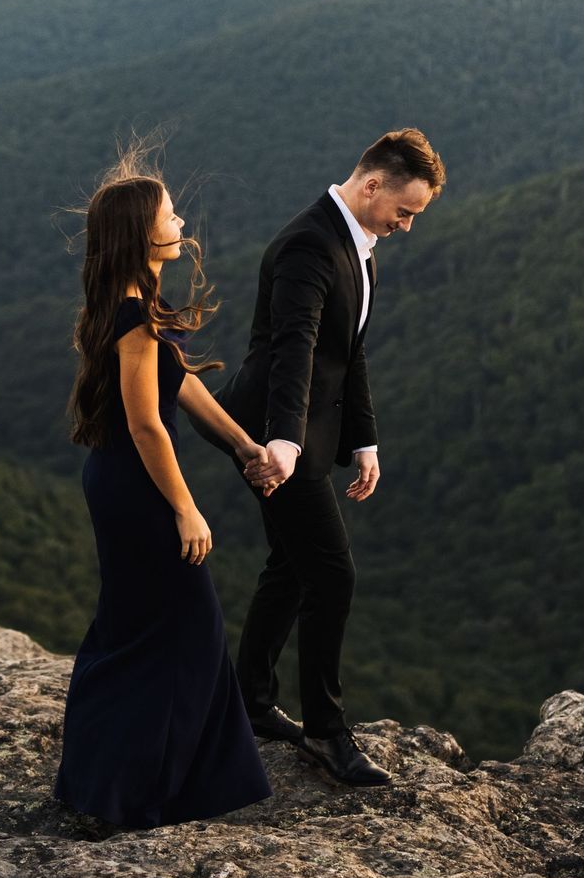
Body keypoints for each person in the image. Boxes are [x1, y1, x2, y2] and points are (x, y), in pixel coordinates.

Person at [219, 128, 446, 786]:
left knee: (290, 567)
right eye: (404, 211)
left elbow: (347, 352)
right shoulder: (308, 246)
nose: (406, 226)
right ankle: (324, 730)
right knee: (332, 574)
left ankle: (252, 702)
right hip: (271, 435)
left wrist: (364, 440)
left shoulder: (359, 244)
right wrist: (285, 443)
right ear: (372, 184)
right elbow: (295, 347)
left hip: (307, 432)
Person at [53, 163, 274, 828]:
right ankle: (145, 795)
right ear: (141, 236)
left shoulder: (126, 304)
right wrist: (185, 505)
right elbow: (149, 422)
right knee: (187, 628)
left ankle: (108, 786)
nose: (180, 224)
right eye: (170, 216)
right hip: (139, 485)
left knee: (133, 630)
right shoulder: (136, 320)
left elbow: (184, 386)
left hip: (115, 478)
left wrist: (243, 445)